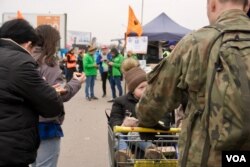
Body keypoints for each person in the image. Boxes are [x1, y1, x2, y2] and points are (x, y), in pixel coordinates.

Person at [136, 0, 250, 166]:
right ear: (247, 6)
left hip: (206, 158)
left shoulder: (196, 42)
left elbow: (154, 101)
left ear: (212, 4)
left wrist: (146, 121)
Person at [0, 19, 64, 167]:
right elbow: (52, 106)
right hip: (10, 146)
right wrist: (49, 89)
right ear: (28, 44)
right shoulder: (21, 62)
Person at [31, 25, 85, 167]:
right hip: (46, 124)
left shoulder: (23, 59)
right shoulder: (49, 64)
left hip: (24, 124)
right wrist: (76, 82)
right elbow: (60, 95)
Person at [110, 58, 161, 164]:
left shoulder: (156, 101)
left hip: (149, 138)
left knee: (134, 134)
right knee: (125, 134)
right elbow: (114, 121)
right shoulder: (120, 101)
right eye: (141, 87)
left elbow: (164, 119)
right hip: (127, 140)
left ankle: (150, 149)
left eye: (148, 87)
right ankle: (123, 153)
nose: (145, 90)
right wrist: (124, 125)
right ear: (132, 90)